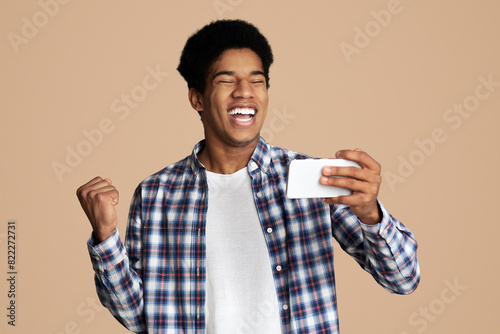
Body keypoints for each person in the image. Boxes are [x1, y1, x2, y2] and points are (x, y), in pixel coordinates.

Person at [76, 19, 420, 334]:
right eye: (226, 80)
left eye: (257, 81)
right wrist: (106, 237)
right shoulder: (157, 195)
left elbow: (402, 279)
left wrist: (371, 214)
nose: (245, 91)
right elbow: (139, 318)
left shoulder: (311, 180)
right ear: (197, 98)